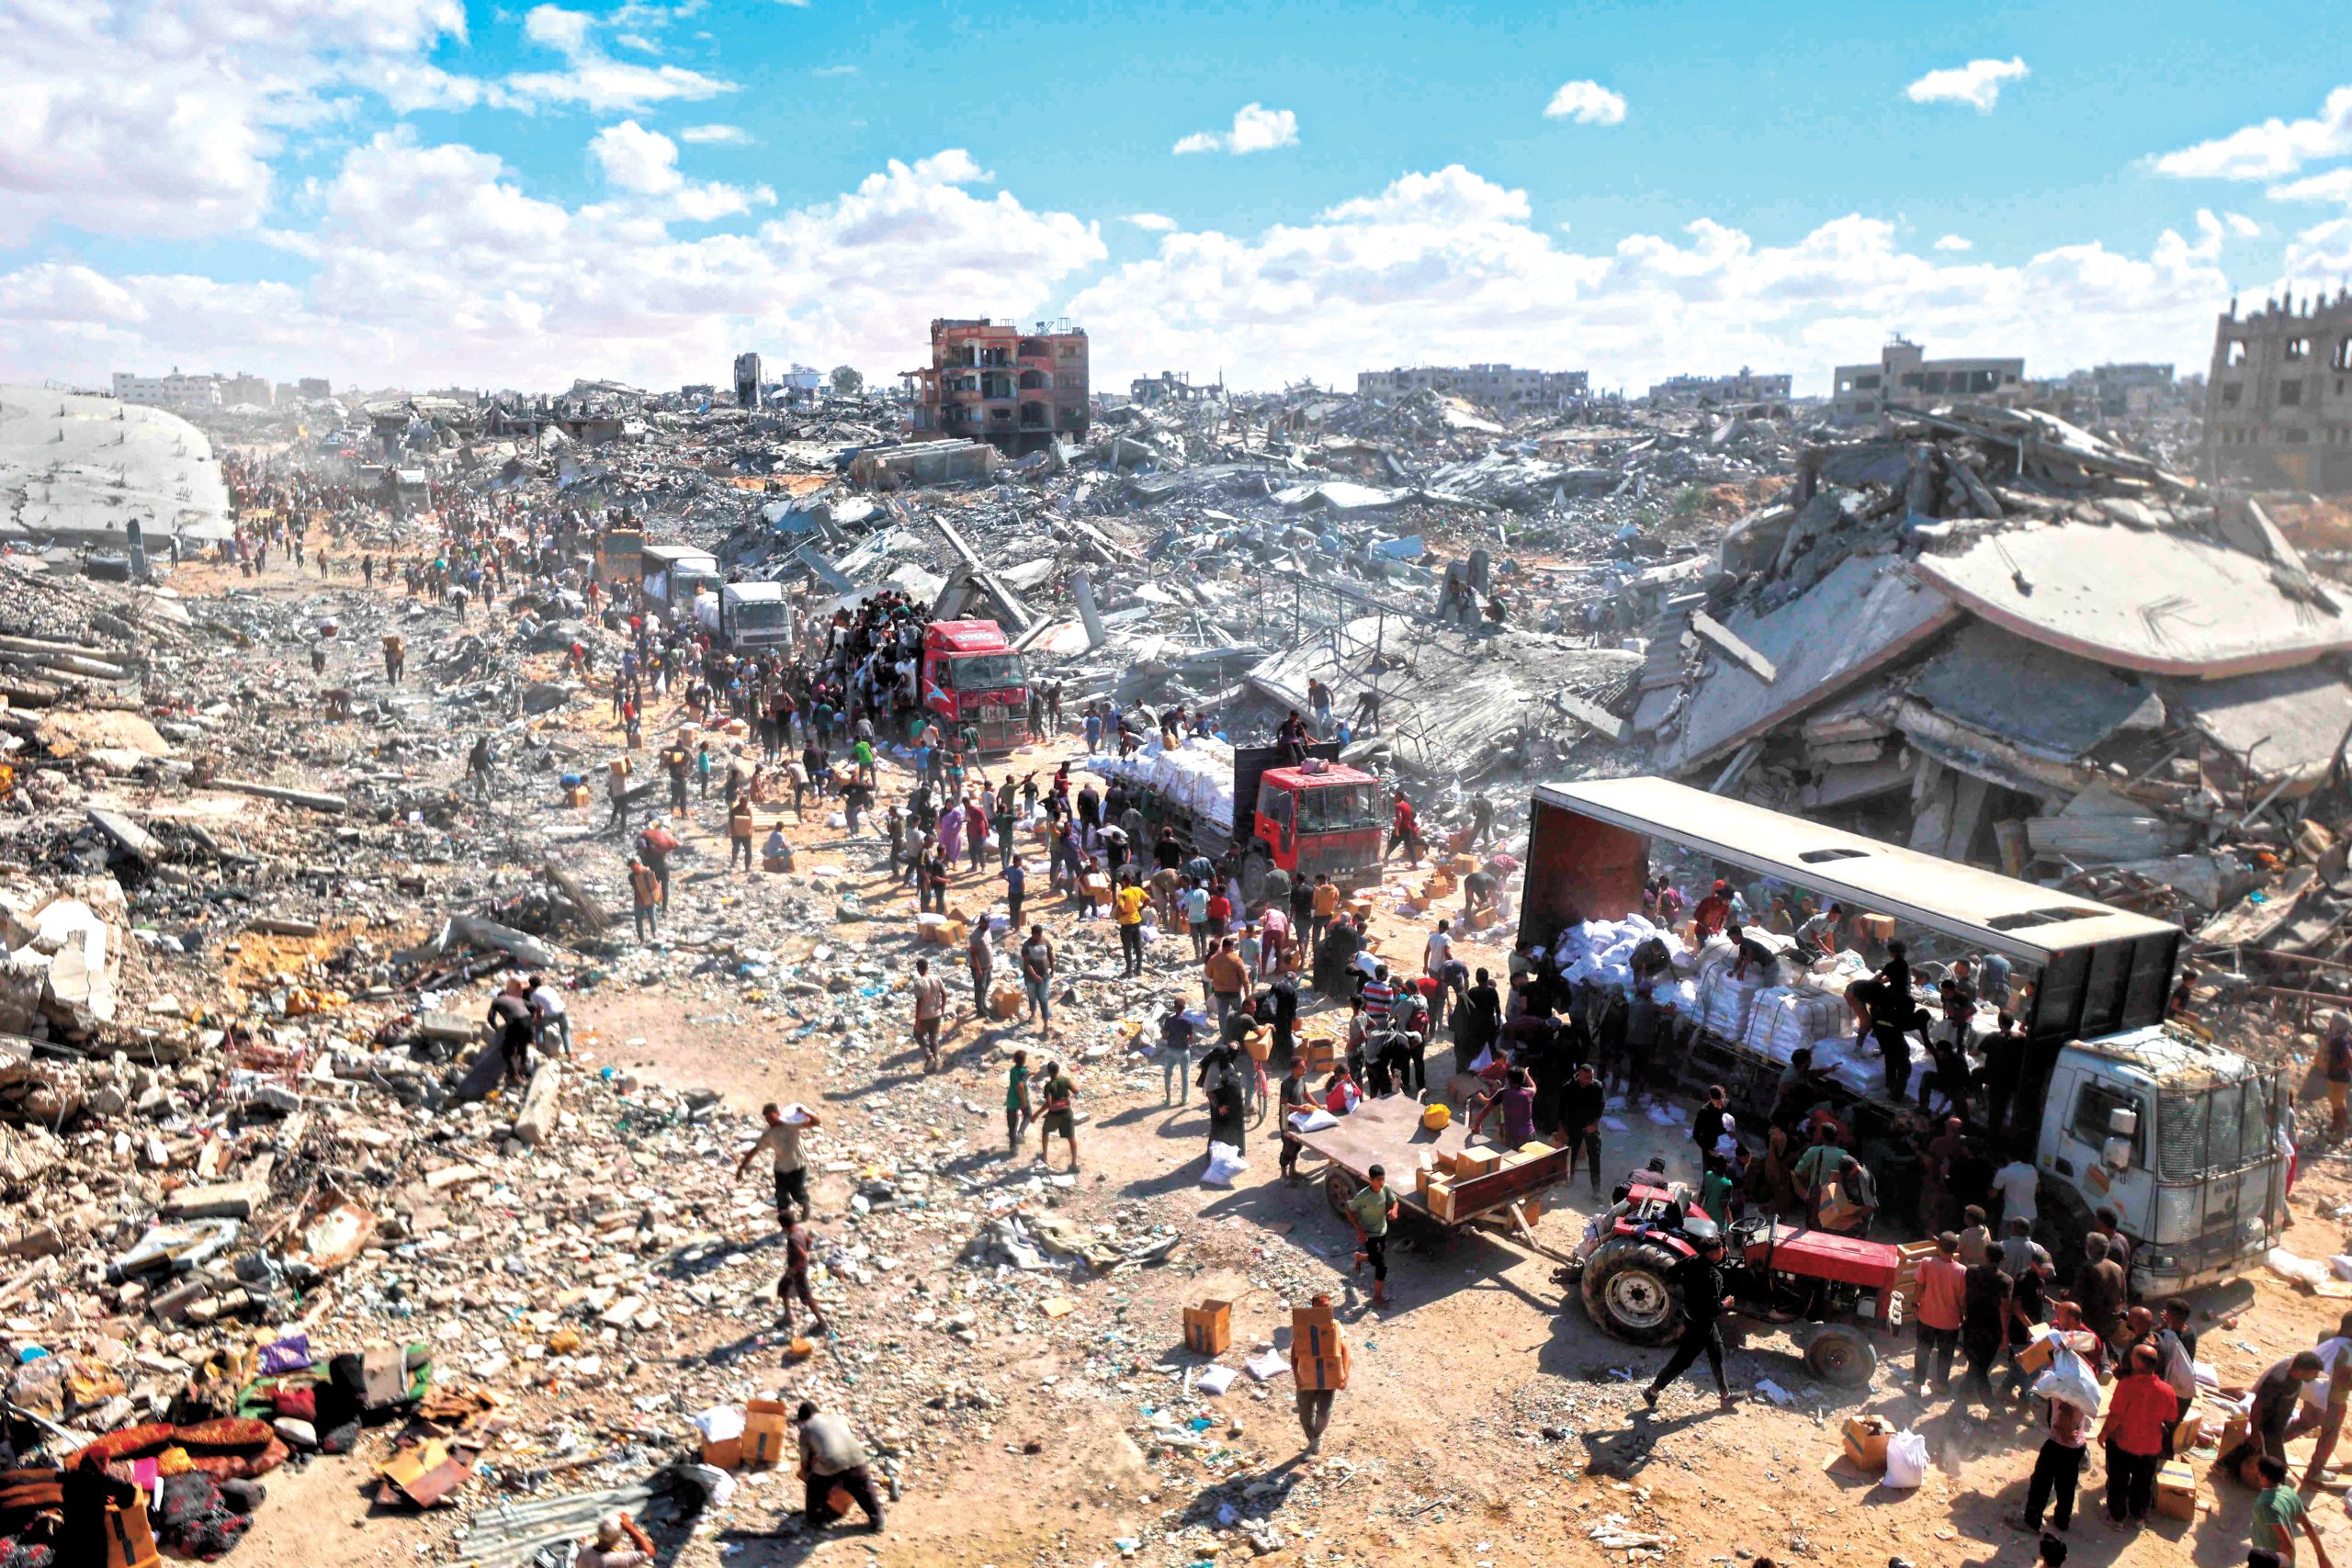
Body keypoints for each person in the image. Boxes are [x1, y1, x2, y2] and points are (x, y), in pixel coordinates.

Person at [2018, 1303, 2099, 1534]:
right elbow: (2083, 1341)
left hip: (2061, 1440)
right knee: (2067, 1483)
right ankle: (2062, 1521)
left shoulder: (2060, 1378)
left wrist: (2063, 1427)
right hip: (2077, 1443)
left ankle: (2031, 1522)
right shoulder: (2074, 1363)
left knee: (2041, 1480)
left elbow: (2059, 1404)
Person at [1641, 1227, 1741, 1412]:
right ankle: (1652, 1391)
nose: (1724, 1252)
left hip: (1696, 1317)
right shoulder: (1713, 1277)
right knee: (1683, 1360)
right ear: (1713, 1254)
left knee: (1716, 1351)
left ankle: (1725, 1396)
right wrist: (1726, 1304)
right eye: (1720, 1250)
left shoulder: (1692, 1260)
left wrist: (1688, 1286)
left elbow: (1671, 1272)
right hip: (1701, 1323)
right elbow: (1713, 1308)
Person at [2098, 1343, 2177, 1531]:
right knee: (2143, 1483)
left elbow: (2115, 1416)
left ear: (2137, 1362)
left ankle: (2117, 1517)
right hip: (2150, 1446)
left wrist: (2103, 1434)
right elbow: (2172, 1417)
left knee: (2118, 1481)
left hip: (2123, 1443)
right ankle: (2138, 1516)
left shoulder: (2127, 1385)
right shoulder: (2167, 1390)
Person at [793, 1402, 884, 1533]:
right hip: (858, 1459)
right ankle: (878, 1518)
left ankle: (815, 1518)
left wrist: (807, 1476)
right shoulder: (837, 1418)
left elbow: (804, 1462)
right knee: (863, 1486)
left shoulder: (806, 1428)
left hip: (832, 1463)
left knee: (815, 1485)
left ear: (803, 1419)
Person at [735, 1101, 822, 1224]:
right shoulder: (768, 1135)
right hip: (781, 1169)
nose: (770, 1121)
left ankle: (806, 1205)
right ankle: (786, 1222)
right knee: (781, 1197)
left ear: (778, 1114)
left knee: (798, 1193)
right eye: (767, 1119)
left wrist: (805, 1112)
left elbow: (817, 1122)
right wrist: (741, 1168)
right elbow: (754, 1150)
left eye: (771, 1117)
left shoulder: (792, 1124)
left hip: (798, 1166)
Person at [2252, 1454, 2334, 1566]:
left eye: (2259, 1472)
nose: (2256, 1474)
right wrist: (2322, 1556)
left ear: (2265, 1476)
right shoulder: (2288, 1492)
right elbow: (2308, 1526)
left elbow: (2288, 1546)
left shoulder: (2266, 1505)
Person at [1912, 1232, 1966, 1396]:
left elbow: (1919, 1286)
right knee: (1946, 1354)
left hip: (1926, 1316)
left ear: (1938, 1245)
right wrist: (1962, 1315)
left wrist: (1915, 1304)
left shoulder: (1927, 1263)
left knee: (1923, 1350)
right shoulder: (1961, 1270)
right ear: (1956, 1249)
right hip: (1949, 1321)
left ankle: (1917, 1385)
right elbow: (1962, 1298)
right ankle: (1942, 1385)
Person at [1960, 1247, 2013, 1405]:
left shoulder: (1971, 1271)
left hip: (1971, 1323)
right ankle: (1990, 1404)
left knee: (1975, 1361)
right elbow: (2004, 1309)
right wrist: (2005, 1334)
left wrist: (1961, 1313)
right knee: (1981, 1367)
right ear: (2003, 1258)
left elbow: (1964, 1293)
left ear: (1985, 1255)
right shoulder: (2005, 1281)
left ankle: (1966, 1390)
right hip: (1992, 1328)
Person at [1291, 1293, 1343, 1452]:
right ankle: (1312, 1438)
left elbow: (1346, 1351)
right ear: (1314, 1307)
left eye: (1329, 1306)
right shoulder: (1304, 1326)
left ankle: (1317, 1437)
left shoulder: (1335, 1326)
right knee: (1305, 1415)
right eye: (1324, 1306)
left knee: (1324, 1413)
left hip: (1328, 1377)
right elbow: (1294, 1354)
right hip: (1307, 1378)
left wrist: (1344, 1374)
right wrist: (1297, 1377)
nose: (1328, 1309)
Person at [1347, 1165, 1398, 1308]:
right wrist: (1359, 1230)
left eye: (1383, 1179)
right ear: (1371, 1180)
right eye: (1378, 1180)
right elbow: (1349, 1210)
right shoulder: (1363, 1196)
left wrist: (1394, 1211)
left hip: (1382, 1230)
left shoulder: (1386, 1189)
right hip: (1369, 1234)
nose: (1381, 1183)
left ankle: (1360, 1257)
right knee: (1382, 1266)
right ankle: (1377, 1297)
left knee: (1376, 1258)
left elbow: (1394, 1202)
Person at [775, 1209, 829, 1337]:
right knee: (783, 1287)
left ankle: (823, 1323)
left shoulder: (793, 1239)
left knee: (807, 1297)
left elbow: (803, 1256)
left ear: (784, 1226)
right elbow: (809, 1241)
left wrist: (793, 1270)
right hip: (797, 1268)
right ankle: (788, 1315)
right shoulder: (799, 1230)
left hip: (798, 1271)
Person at [2075, 1233, 2129, 1349]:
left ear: (2089, 1248)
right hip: (2112, 1323)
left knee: (2083, 1354)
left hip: (2091, 1323)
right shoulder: (2117, 1268)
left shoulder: (2088, 1267)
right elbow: (2123, 1298)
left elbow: (2076, 1297)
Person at [489, 980, 535, 1088]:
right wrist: (531, 1019)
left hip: (516, 1022)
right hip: (528, 1021)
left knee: (507, 1051)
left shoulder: (496, 1001)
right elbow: (533, 1007)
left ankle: (514, 1075)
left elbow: (490, 1018)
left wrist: (496, 1028)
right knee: (522, 1045)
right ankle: (523, 1069)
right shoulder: (517, 999)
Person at [1035, 1059, 1078, 1170]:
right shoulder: (1066, 1080)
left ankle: (1044, 1157)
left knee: (1045, 1132)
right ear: (1058, 1070)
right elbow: (1077, 1091)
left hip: (1054, 1115)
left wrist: (1036, 1114)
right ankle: (1074, 1164)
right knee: (1071, 1138)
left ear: (1049, 1072)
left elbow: (1048, 1104)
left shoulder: (1049, 1086)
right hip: (1067, 1113)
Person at [1278, 1057, 1313, 1185]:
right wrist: (1299, 1108)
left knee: (1297, 1146)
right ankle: (1283, 1174)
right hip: (1286, 1121)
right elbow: (1284, 1105)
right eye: (1301, 1067)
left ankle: (1293, 1171)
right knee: (1288, 1148)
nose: (1305, 1069)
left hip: (1298, 1118)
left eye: (1304, 1066)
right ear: (1293, 1069)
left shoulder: (1302, 1079)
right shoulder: (1286, 1084)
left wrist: (1318, 1106)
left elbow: (1306, 1094)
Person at [910, 956, 947, 1072]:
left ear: (919, 969)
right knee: (934, 1038)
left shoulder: (919, 983)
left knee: (918, 1035)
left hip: (925, 1015)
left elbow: (919, 1004)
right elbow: (945, 994)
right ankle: (935, 1064)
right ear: (927, 967)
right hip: (937, 1014)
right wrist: (942, 1008)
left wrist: (917, 1022)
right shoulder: (937, 978)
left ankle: (929, 1056)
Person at [576, 1516, 654, 1568]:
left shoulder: (584, 1549)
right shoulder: (616, 1559)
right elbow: (649, 1551)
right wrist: (629, 1526)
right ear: (617, 1538)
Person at [1159, 999, 1198, 1106]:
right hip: (1184, 1050)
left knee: (1168, 1073)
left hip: (1171, 1049)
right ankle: (1184, 1099)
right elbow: (1191, 1039)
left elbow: (1164, 1036)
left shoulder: (1169, 1020)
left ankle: (1168, 1099)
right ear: (1184, 1008)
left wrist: (1170, 1036)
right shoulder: (1188, 1021)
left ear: (1175, 1007)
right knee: (1185, 1075)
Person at [1993, 1145, 2040, 1233]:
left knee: (2005, 1244)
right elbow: (2037, 1189)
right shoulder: (2031, 1169)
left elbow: (1993, 1194)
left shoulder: (2004, 1172)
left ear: (2007, 1157)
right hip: (2031, 1215)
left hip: (2011, 1216)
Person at [1021, 925, 1055, 1038]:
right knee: (1032, 996)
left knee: (1044, 999)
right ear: (1033, 934)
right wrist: (1034, 976)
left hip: (1044, 976)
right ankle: (1033, 1014)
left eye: (1040, 934)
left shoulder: (1045, 942)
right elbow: (1027, 963)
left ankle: (1046, 1023)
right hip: (1031, 977)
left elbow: (1050, 956)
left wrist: (1053, 969)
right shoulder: (1027, 945)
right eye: (1037, 935)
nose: (1039, 936)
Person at [526, 973, 571, 1057]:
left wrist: (536, 1021)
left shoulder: (534, 995)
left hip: (551, 1014)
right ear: (541, 983)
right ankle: (569, 1053)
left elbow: (538, 1011)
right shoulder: (548, 988)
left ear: (531, 986)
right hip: (562, 1011)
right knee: (565, 1032)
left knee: (538, 1029)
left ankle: (539, 1051)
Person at [1114, 877, 1149, 977]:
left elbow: (1120, 907)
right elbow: (1148, 900)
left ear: (1123, 882)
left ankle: (1129, 971)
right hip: (1136, 923)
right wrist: (1141, 908)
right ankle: (1138, 969)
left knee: (1127, 948)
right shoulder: (1138, 890)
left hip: (1126, 925)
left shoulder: (1123, 894)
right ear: (1132, 881)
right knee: (1138, 947)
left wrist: (1124, 913)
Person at [1002, 1048, 1033, 1155]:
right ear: (1024, 1060)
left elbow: (1022, 1076)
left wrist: (1029, 1074)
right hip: (1021, 1099)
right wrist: (1023, 1101)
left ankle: (1013, 1148)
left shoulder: (1012, 1070)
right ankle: (1021, 1132)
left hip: (1011, 1099)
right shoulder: (1024, 1072)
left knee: (1012, 1125)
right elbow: (1021, 1085)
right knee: (1028, 1115)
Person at [628, 857, 660, 942]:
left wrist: (657, 896)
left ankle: (655, 933)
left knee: (652, 917)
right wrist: (642, 900)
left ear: (638, 864)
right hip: (639, 900)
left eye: (634, 867)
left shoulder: (648, 873)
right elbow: (637, 889)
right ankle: (641, 939)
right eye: (631, 868)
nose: (633, 869)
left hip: (650, 898)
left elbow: (655, 885)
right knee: (638, 920)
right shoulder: (632, 876)